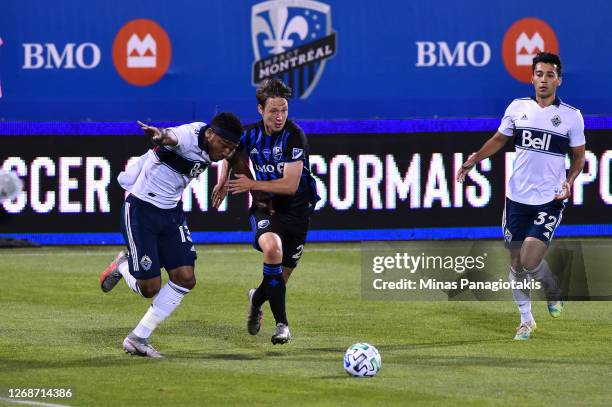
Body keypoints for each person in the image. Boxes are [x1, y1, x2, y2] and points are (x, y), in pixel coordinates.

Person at [457, 52, 586, 340]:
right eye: (539, 74)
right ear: (532, 77)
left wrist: (570, 180)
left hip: (549, 200)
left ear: (559, 80)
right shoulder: (518, 108)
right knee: (516, 264)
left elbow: (578, 157)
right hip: (516, 199)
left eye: (550, 75)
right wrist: (474, 159)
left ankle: (551, 288)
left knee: (529, 260)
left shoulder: (571, 117)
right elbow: (500, 139)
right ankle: (526, 321)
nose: (543, 80)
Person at [99, 112, 243, 358]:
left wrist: (222, 180)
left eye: (231, 147)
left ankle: (138, 338)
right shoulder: (188, 136)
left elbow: (233, 157)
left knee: (186, 278)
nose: (226, 152)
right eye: (224, 145)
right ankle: (122, 265)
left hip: (171, 214)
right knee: (149, 288)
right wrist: (160, 135)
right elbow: (171, 136)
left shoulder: (219, 144)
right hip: (141, 211)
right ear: (210, 134)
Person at [212, 79, 319, 345]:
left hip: (297, 212)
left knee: (278, 281)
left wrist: (250, 184)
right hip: (266, 209)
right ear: (261, 109)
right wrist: (223, 180)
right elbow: (231, 154)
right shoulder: (250, 135)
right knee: (272, 249)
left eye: (283, 109)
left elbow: (290, 184)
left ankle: (255, 299)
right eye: (273, 110)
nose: (280, 116)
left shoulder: (294, 137)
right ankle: (282, 325)